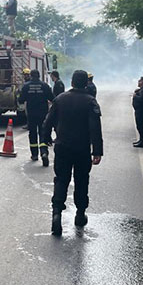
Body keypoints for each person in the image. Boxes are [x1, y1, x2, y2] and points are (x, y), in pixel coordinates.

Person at [41, 70, 103, 236]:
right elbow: (95, 128)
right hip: (82, 149)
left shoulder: (60, 99)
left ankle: (56, 214)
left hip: (62, 147)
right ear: (85, 83)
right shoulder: (91, 102)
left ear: (72, 82)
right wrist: (97, 151)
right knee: (82, 181)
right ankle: (80, 214)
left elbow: (48, 121)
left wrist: (46, 138)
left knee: (61, 180)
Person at [18, 69, 54, 166]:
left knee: (32, 133)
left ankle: (34, 155)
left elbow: (21, 100)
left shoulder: (26, 86)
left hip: (31, 114)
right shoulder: (45, 86)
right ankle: (44, 152)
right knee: (43, 133)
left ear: (30, 75)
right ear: (39, 76)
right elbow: (52, 98)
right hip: (43, 113)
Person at [132, 76, 143, 148]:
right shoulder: (140, 90)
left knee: (141, 126)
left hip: (141, 111)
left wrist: (135, 96)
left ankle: (142, 142)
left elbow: (142, 100)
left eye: (139, 81)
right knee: (139, 126)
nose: (138, 82)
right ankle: (140, 140)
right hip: (138, 110)